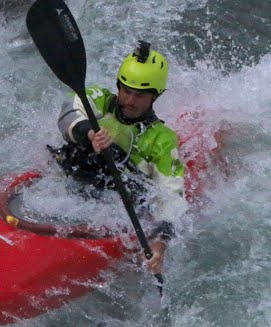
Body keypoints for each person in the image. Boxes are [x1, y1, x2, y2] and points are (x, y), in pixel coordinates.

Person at [52, 41, 185, 278]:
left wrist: (160, 242)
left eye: (140, 95)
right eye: (126, 91)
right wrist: (88, 133)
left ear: (156, 96)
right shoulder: (99, 98)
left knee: (112, 153)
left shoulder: (162, 139)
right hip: (82, 172)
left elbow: (172, 195)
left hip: (121, 194)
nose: (130, 101)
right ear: (118, 86)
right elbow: (69, 112)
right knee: (74, 151)